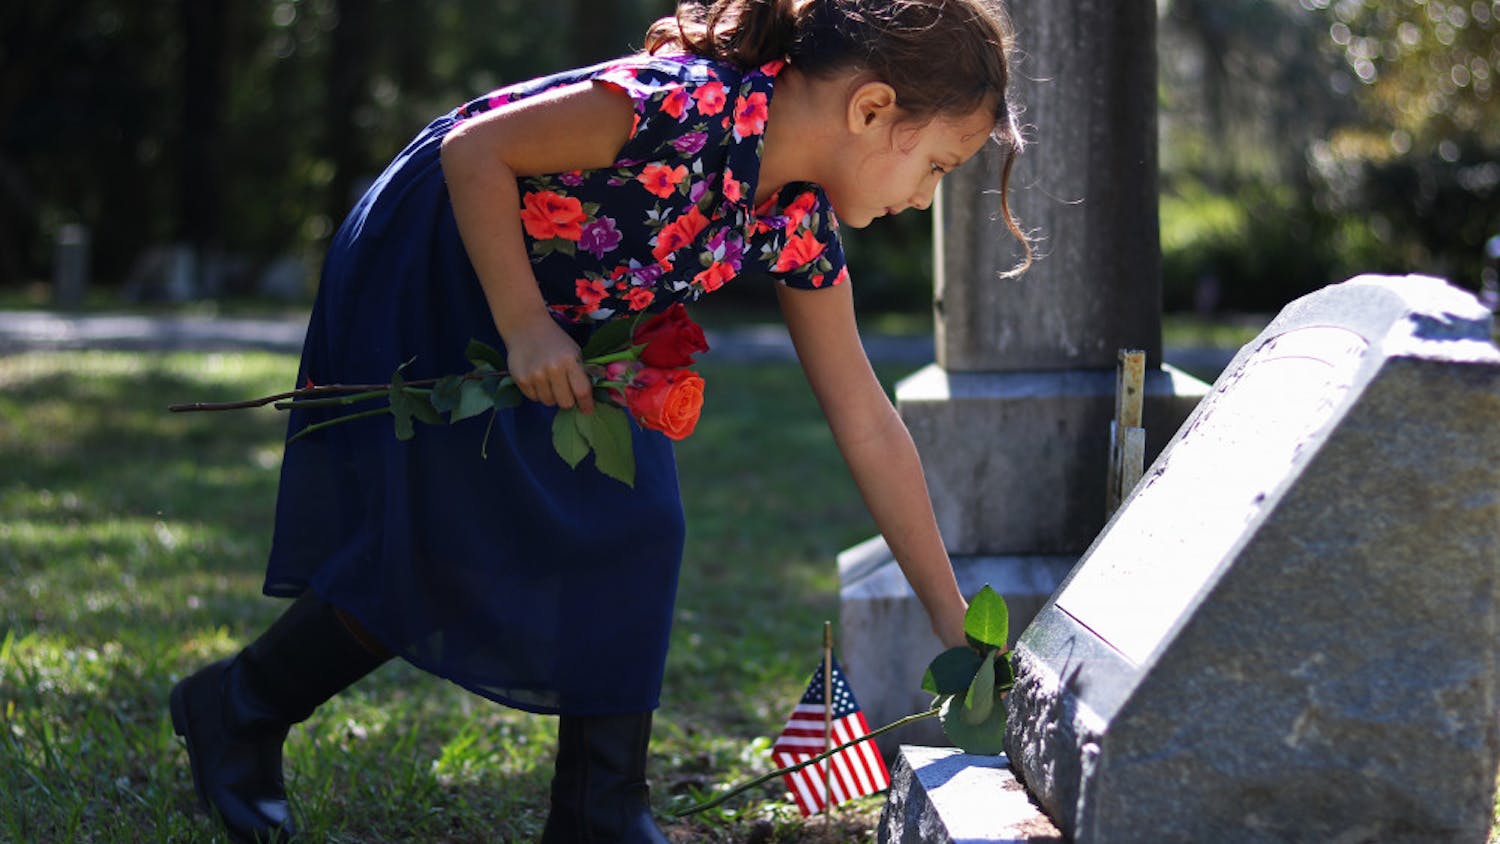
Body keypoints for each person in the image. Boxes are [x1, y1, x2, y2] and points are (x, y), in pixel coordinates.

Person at [168, 0, 1030, 840]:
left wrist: (949, 613)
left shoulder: (795, 216)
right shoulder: (683, 106)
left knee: (639, 522)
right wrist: (522, 326)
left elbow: (865, 419)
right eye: (938, 168)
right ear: (872, 108)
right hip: (451, 255)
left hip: (571, 304)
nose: (924, 198)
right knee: (450, 534)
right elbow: (476, 150)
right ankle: (240, 707)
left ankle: (600, 810)